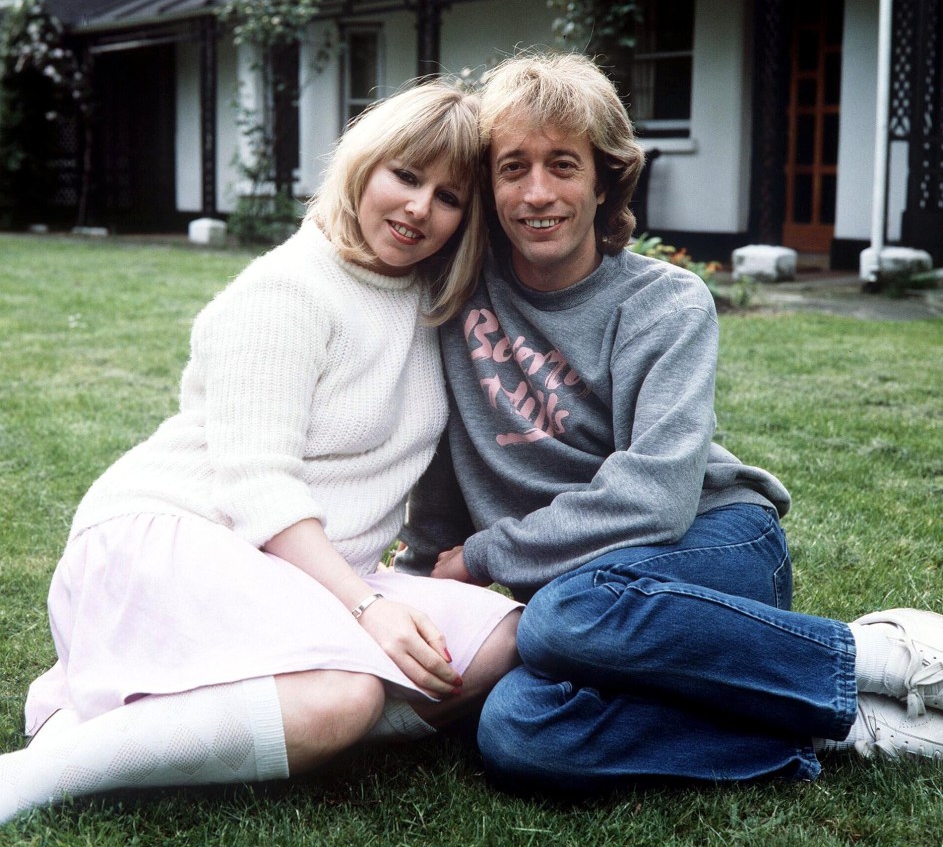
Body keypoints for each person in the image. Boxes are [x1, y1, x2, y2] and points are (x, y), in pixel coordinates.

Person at [397, 51, 943, 793]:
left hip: (710, 542)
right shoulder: (455, 294)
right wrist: (418, 582)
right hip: (582, 591)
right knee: (517, 732)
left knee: (560, 620)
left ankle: (882, 656)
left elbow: (654, 498)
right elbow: (439, 452)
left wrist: (486, 556)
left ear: (603, 181)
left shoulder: (665, 302)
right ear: (487, 186)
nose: (536, 193)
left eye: (562, 164)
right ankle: (842, 725)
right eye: (511, 167)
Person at [0, 80, 521, 824]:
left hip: (315, 570)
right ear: (363, 166)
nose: (418, 208)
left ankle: (190, 714)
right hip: (179, 538)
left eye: (448, 198)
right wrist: (368, 607)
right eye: (404, 176)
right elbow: (257, 490)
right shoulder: (288, 289)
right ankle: (45, 766)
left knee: (495, 641)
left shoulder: (426, 299)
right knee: (344, 696)